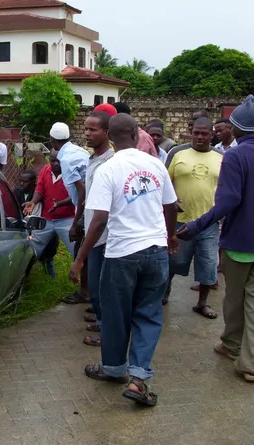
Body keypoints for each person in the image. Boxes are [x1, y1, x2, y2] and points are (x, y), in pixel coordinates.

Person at [70, 113, 179, 407]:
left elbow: (99, 221)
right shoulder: (156, 164)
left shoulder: (108, 169)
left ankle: (113, 369)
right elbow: (171, 206)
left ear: (112, 136)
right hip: (155, 251)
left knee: (116, 315)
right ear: (135, 133)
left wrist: (79, 259)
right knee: (148, 314)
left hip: (120, 255)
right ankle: (138, 379)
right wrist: (170, 236)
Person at [177, 95, 254, 382]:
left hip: (240, 243)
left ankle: (247, 362)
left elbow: (228, 201)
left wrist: (197, 225)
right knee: (244, 299)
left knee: (238, 299)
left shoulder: (234, 156)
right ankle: (231, 345)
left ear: (237, 129)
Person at [164, 118, 223, 317]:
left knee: (207, 264)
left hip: (209, 222)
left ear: (212, 135)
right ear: (191, 132)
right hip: (179, 221)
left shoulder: (221, 156)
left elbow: (225, 187)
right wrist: (171, 199)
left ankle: (202, 303)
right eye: (196, 133)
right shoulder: (177, 152)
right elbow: (164, 180)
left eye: (204, 134)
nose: (199, 137)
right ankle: (164, 294)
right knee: (173, 260)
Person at [81, 111, 115, 347]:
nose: (87, 134)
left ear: (107, 133)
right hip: (91, 231)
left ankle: (108, 333)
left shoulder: (111, 162)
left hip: (105, 236)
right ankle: (103, 322)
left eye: (93, 130)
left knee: (103, 287)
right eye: (86, 129)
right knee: (96, 286)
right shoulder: (92, 159)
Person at [49, 122, 91, 304]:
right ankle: (89, 292)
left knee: (82, 251)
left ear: (52, 140)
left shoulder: (65, 159)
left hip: (86, 210)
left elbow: (82, 191)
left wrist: (76, 223)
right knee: (88, 252)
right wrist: (62, 203)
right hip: (93, 205)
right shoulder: (80, 151)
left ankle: (85, 292)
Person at [22, 151, 76, 280]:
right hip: (46, 219)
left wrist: (61, 204)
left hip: (67, 219)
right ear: (48, 160)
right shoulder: (45, 171)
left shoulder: (71, 171)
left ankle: (85, 287)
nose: (56, 163)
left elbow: (76, 194)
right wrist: (33, 202)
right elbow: (40, 189)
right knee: (32, 250)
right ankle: (22, 280)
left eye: (59, 161)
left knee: (78, 252)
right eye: (53, 161)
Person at [15, 170, 60, 278]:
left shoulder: (39, 195)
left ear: (33, 182)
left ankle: (48, 263)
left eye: (25, 181)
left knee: (48, 247)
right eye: (20, 181)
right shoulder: (16, 192)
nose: (21, 184)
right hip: (23, 226)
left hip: (40, 225)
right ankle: (24, 273)